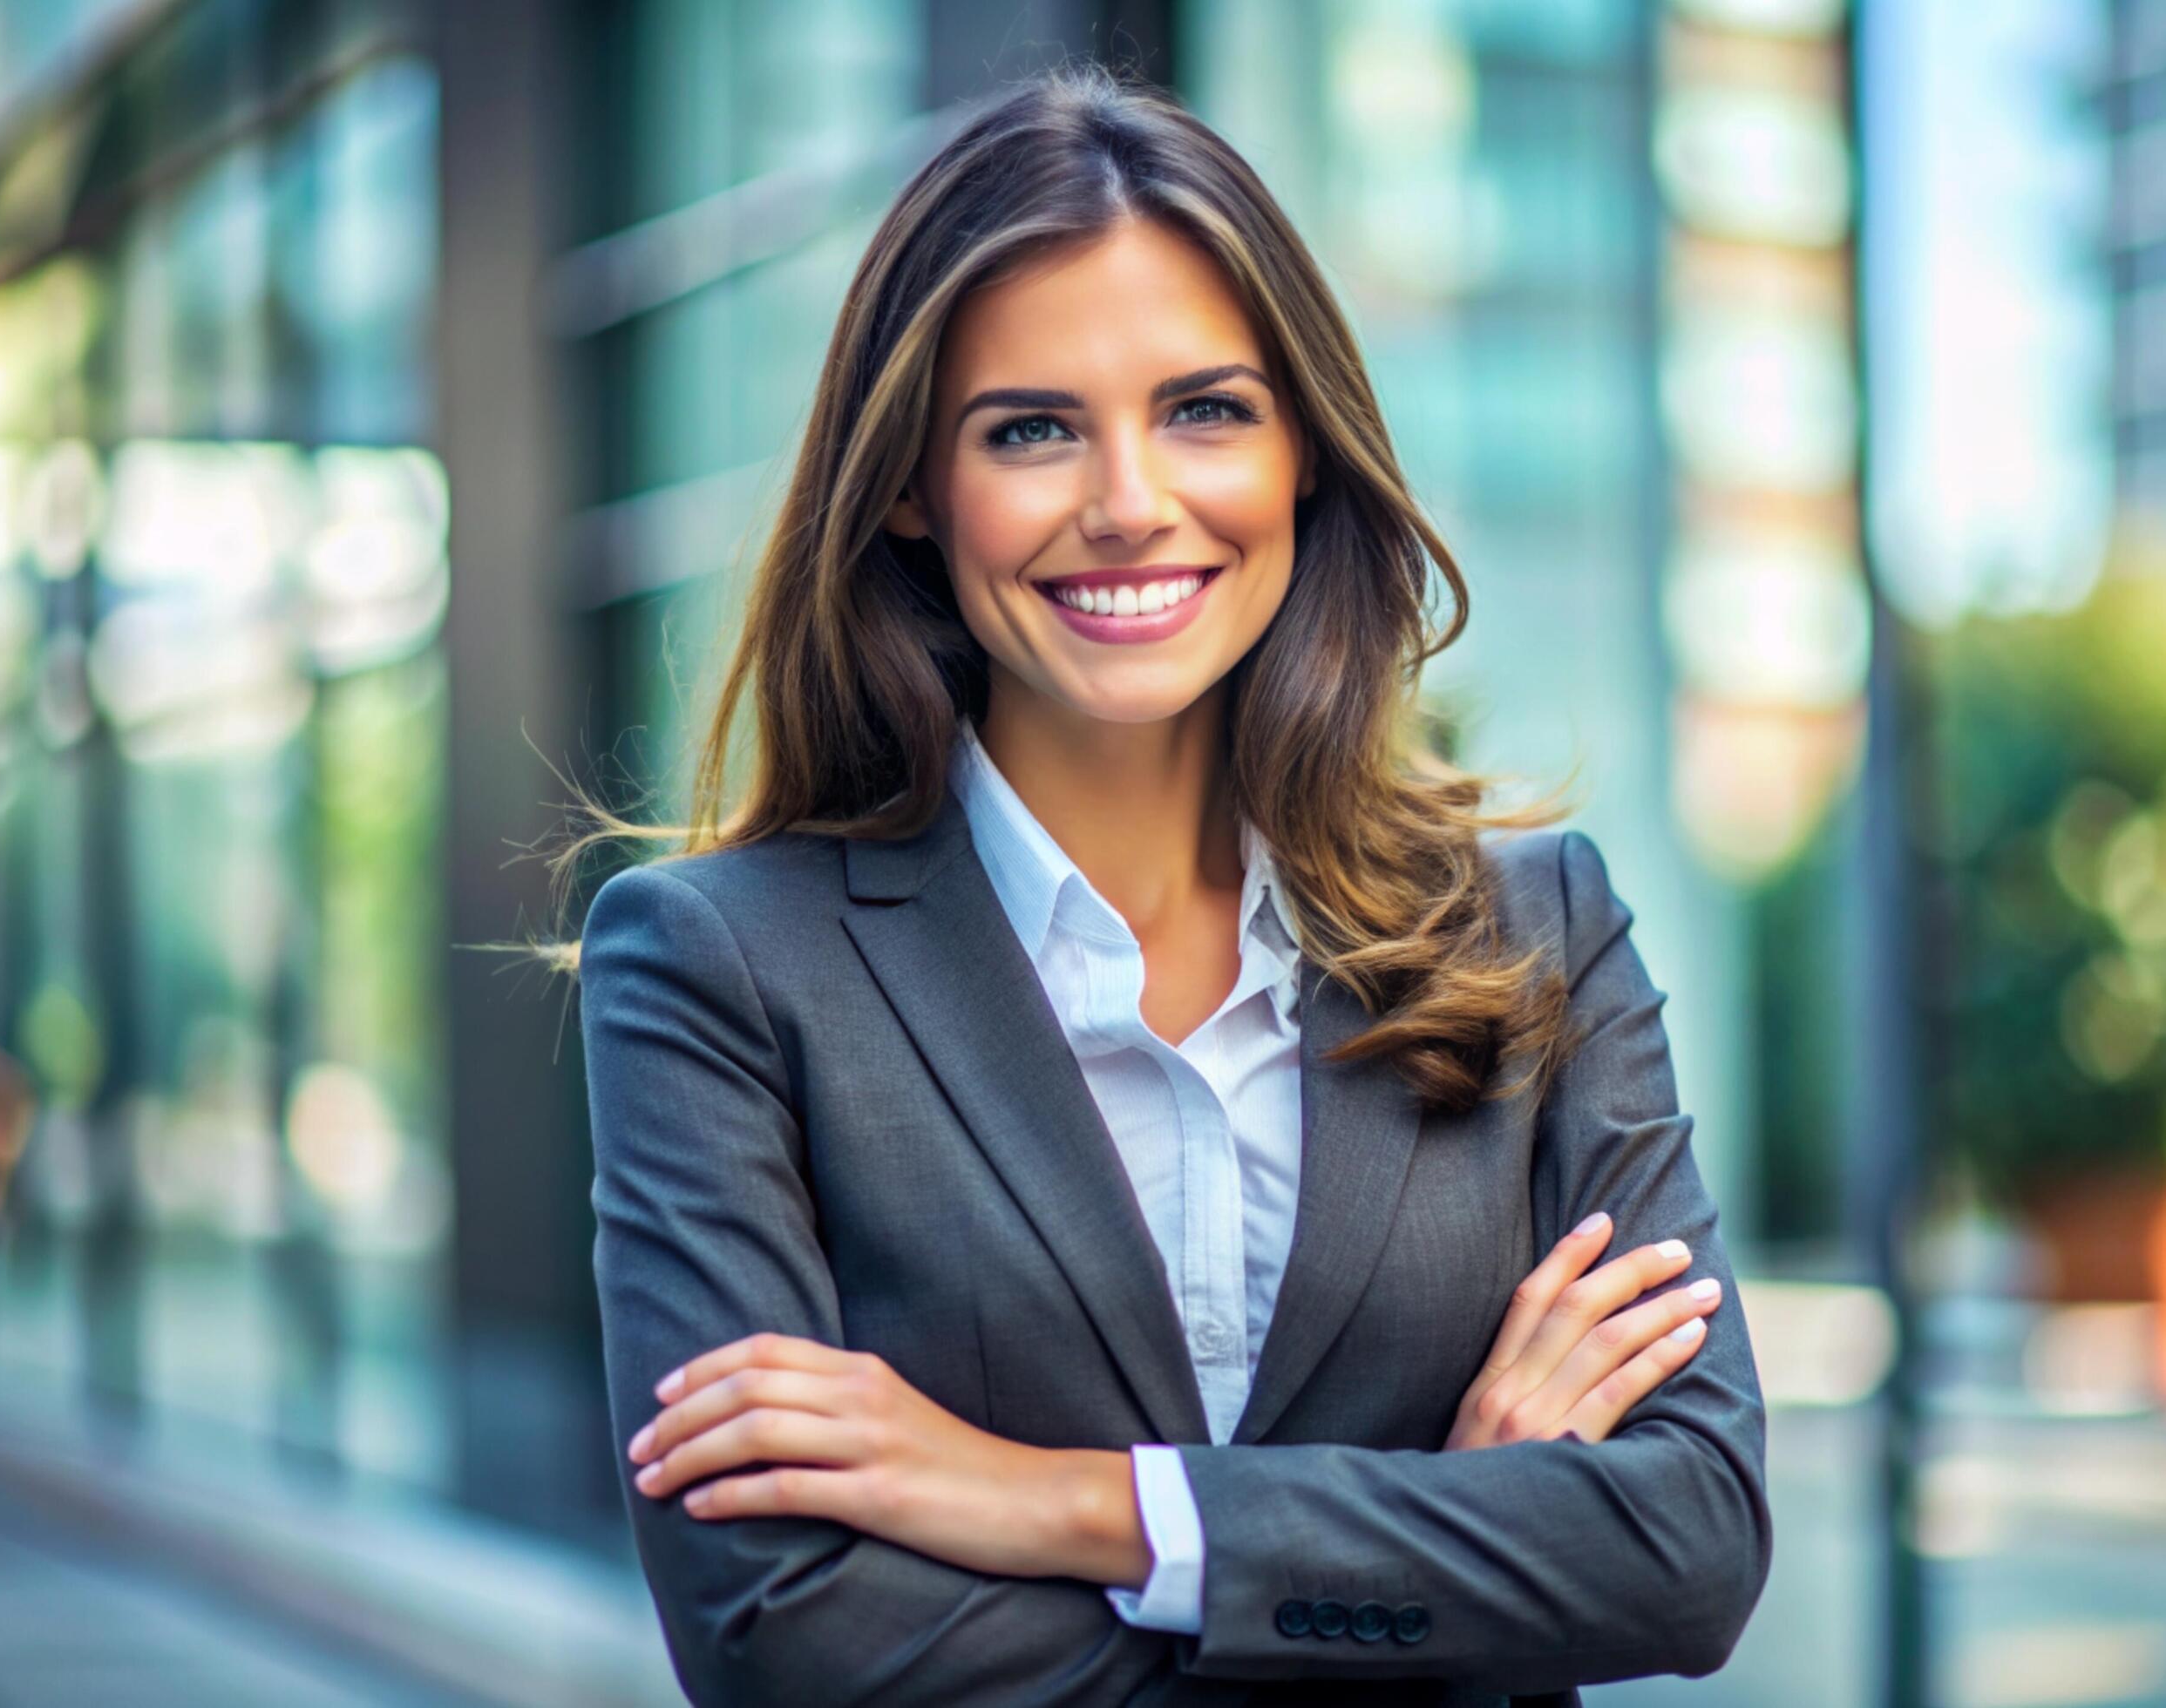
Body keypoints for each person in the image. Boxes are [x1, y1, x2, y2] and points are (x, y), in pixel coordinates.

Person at [564, 61, 1769, 1707]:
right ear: (915, 485)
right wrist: (1458, 1552)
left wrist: (1054, 1502)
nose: (1130, 506)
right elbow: (790, 1647)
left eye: (1205, 409)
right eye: (1032, 430)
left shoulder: (1538, 932)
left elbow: (1690, 1547)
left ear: (1304, 454)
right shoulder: (718, 970)